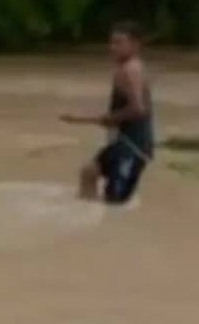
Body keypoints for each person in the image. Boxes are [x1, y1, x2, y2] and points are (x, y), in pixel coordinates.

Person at [61, 21, 155, 204]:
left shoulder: (131, 70)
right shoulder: (127, 69)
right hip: (124, 141)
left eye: (119, 43)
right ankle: (88, 220)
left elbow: (138, 109)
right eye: (111, 42)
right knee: (89, 172)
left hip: (133, 147)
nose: (112, 48)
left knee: (115, 204)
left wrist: (106, 119)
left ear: (135, 45)